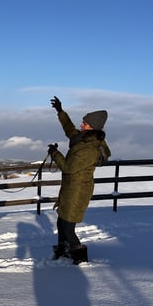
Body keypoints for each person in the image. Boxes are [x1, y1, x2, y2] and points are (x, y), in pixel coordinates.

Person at [47, 96, 111, 264]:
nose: (81, 125)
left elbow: (68, 167)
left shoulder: (90, 149)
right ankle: (63, 249)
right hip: (70, 189)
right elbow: (69, 129)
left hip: (77, 192)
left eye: (85, 123)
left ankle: (78, 255)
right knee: (61, 221)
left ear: (92, 128)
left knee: (68, 227)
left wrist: (55, 153)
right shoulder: (83, 138)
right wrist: (60, 111)